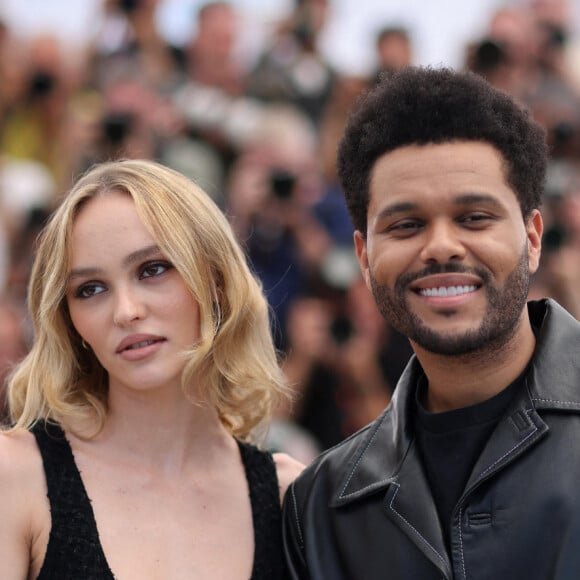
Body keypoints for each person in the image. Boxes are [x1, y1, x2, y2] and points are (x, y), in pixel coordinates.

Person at [282, 65, 580, 579]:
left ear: (532, 239)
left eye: (474, 218)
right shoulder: (320, 507)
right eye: (406, 225)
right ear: (364, 256)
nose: (441, 246)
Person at [0, 158, 303, 579]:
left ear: (215, 279)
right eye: (91, 289)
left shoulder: (291, 498)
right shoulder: (16, 477)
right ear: (69, 319)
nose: (126, 312)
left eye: (153, 269)